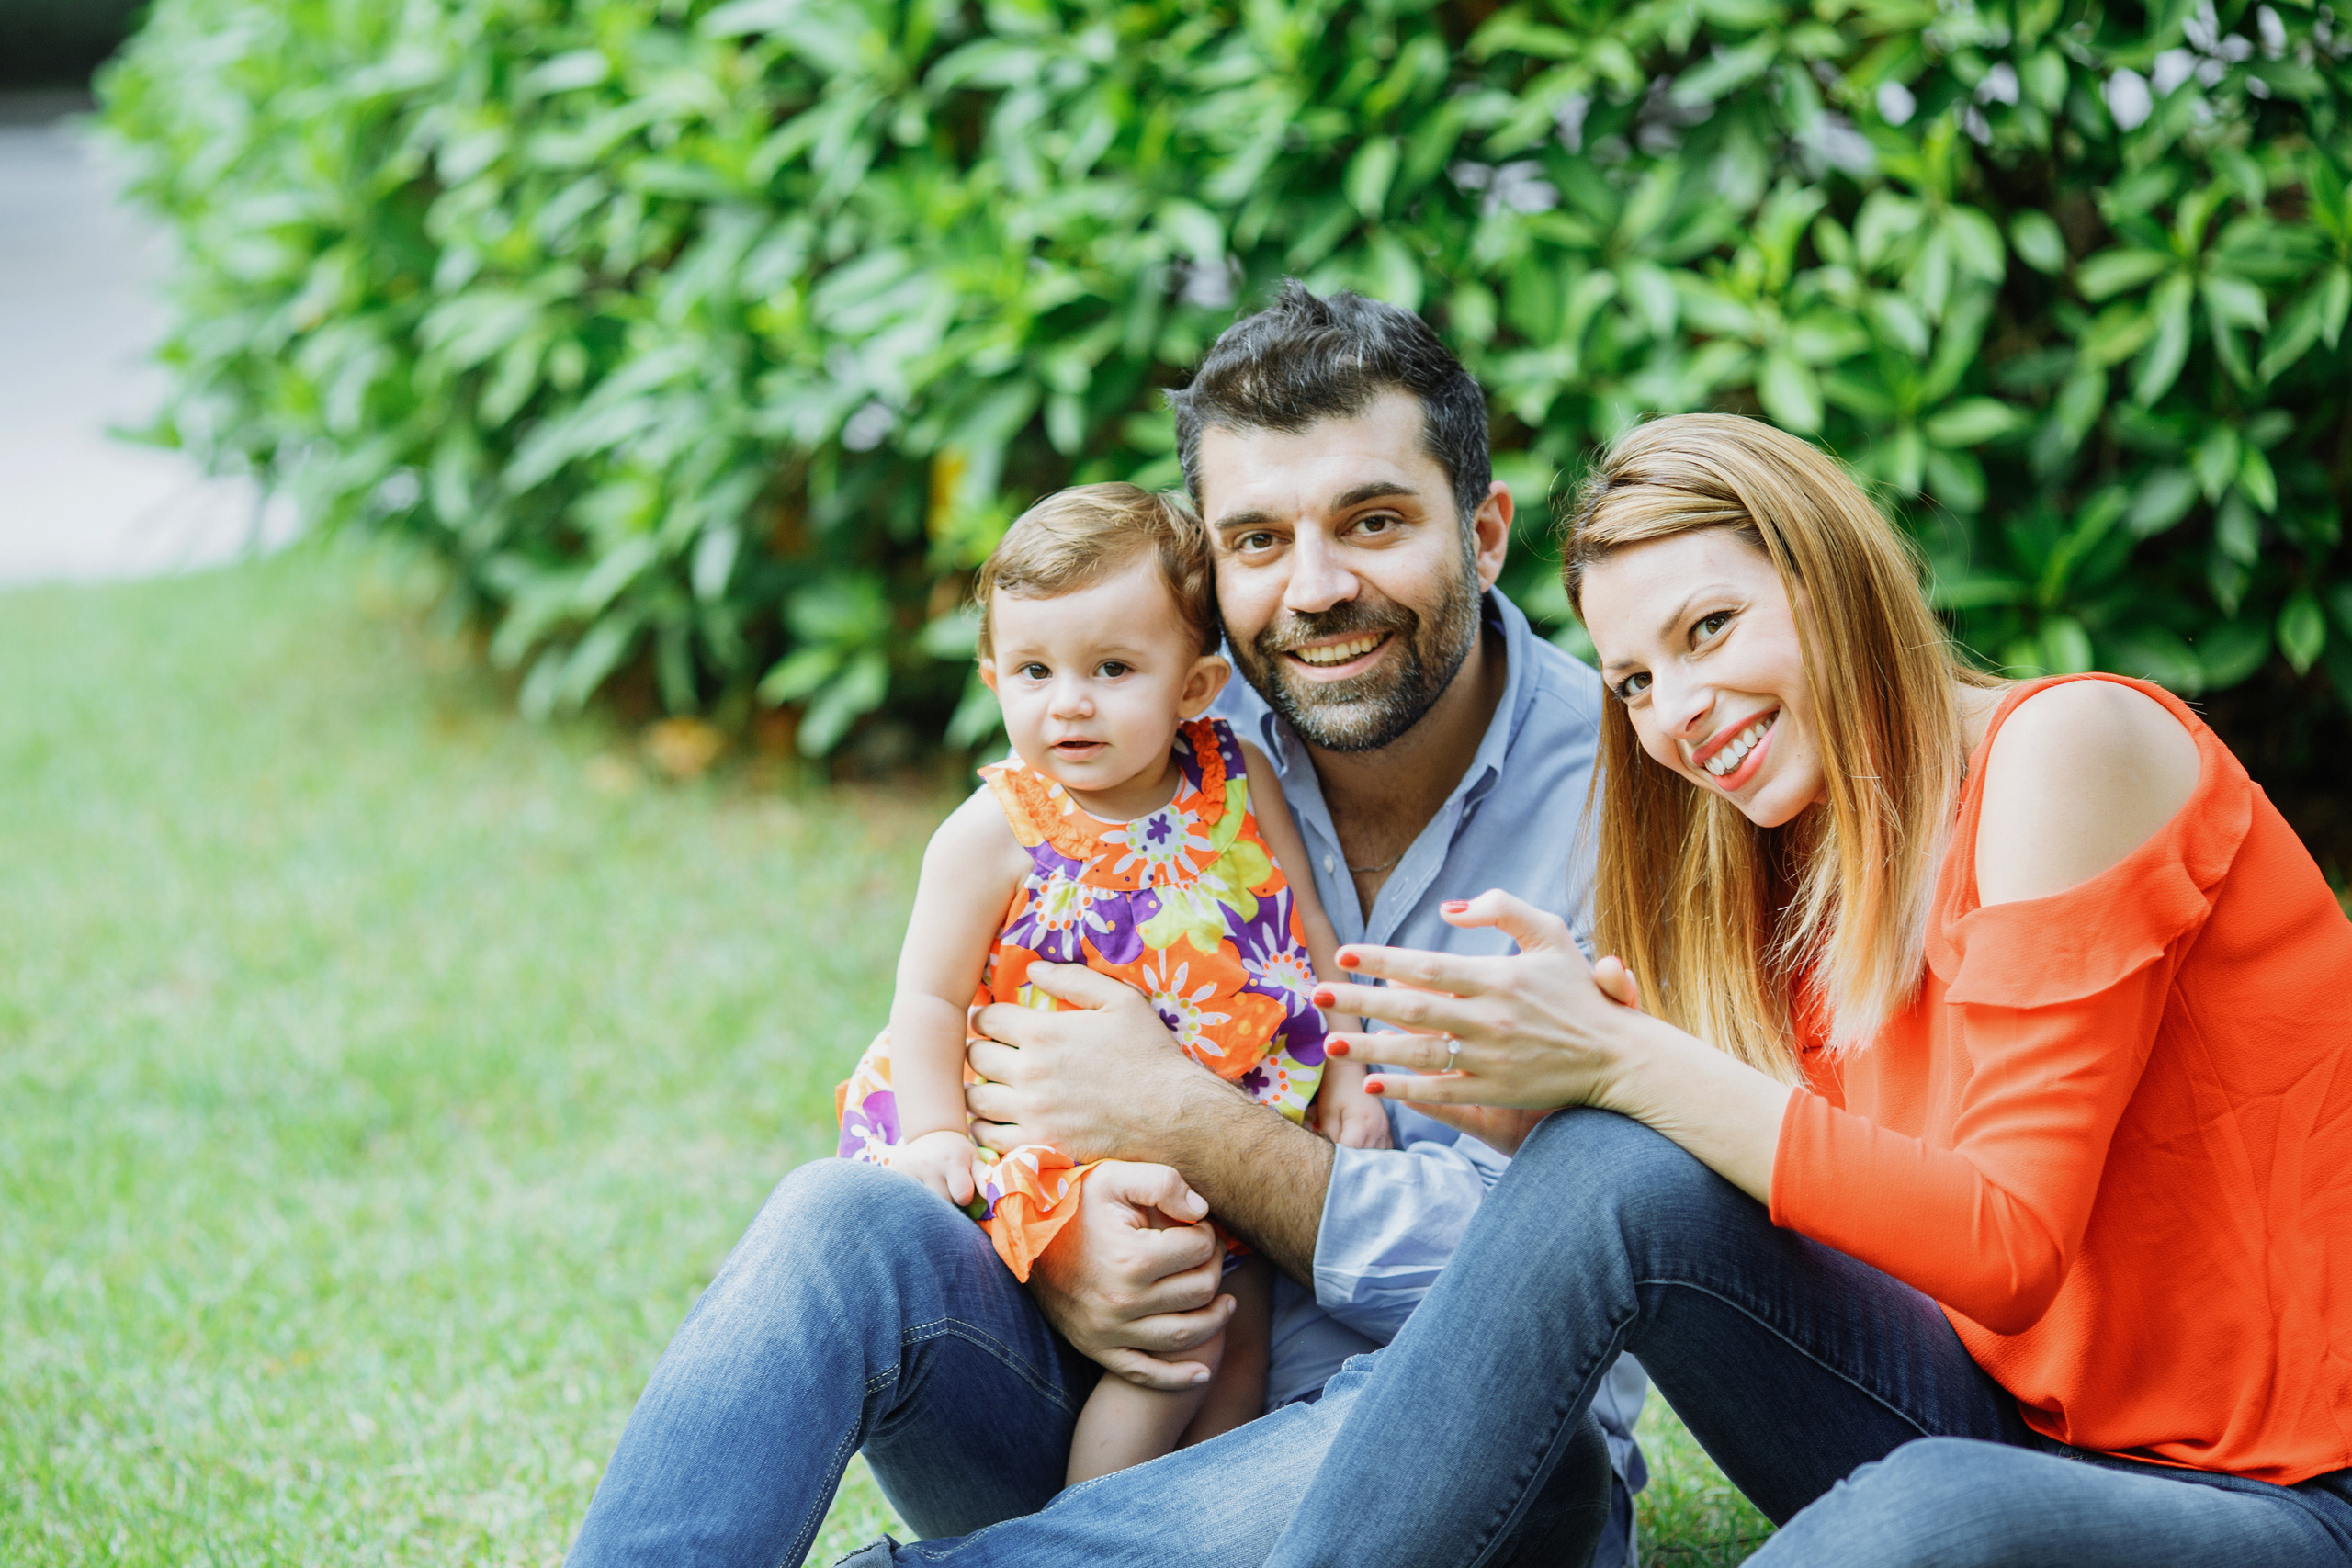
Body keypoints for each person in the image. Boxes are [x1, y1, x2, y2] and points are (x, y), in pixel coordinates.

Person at [561, 285, 1645, 1568]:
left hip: (1446, 1446)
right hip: (1119, 1411)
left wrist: (1197, 1126)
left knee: (1486, 1422)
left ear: (1485, 530)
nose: (1315, 588)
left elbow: (1581, 1260)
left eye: (1373, 520)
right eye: (1256, 539)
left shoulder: (1633, 794)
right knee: (836, 1220)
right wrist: (1060, 1243)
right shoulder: (1160, 739)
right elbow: (969, 1062)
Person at [1250, 412, 2352, 1566]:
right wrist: (1570, 1114)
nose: (1675, 713)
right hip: (2012, 1434)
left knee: (1928, 1512)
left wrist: (1637, 1065)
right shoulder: (1789, 868)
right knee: (1607, 1163)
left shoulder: (2067, 748)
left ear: (1826, 570)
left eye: (1710, 628)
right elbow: (1862, 1237)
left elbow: (2007, 1245)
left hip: (2285, 1497)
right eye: (1632, 681)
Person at [831, 480, 1387, 1486]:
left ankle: (1192, 1540)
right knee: (1168, 1358)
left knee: (1240, 1355)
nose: (1068, 701)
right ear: (993, 676)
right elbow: (926, 1003)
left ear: (1196, 686)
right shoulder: (994, 833)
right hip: (1069, 1149)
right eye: (1034, 670)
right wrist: (935, 1138)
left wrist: (1348, 1073)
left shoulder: (1237, 777)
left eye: (1112, 668)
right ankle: (1087, 1533)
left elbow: (1310, 923)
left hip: (1228, 1127)